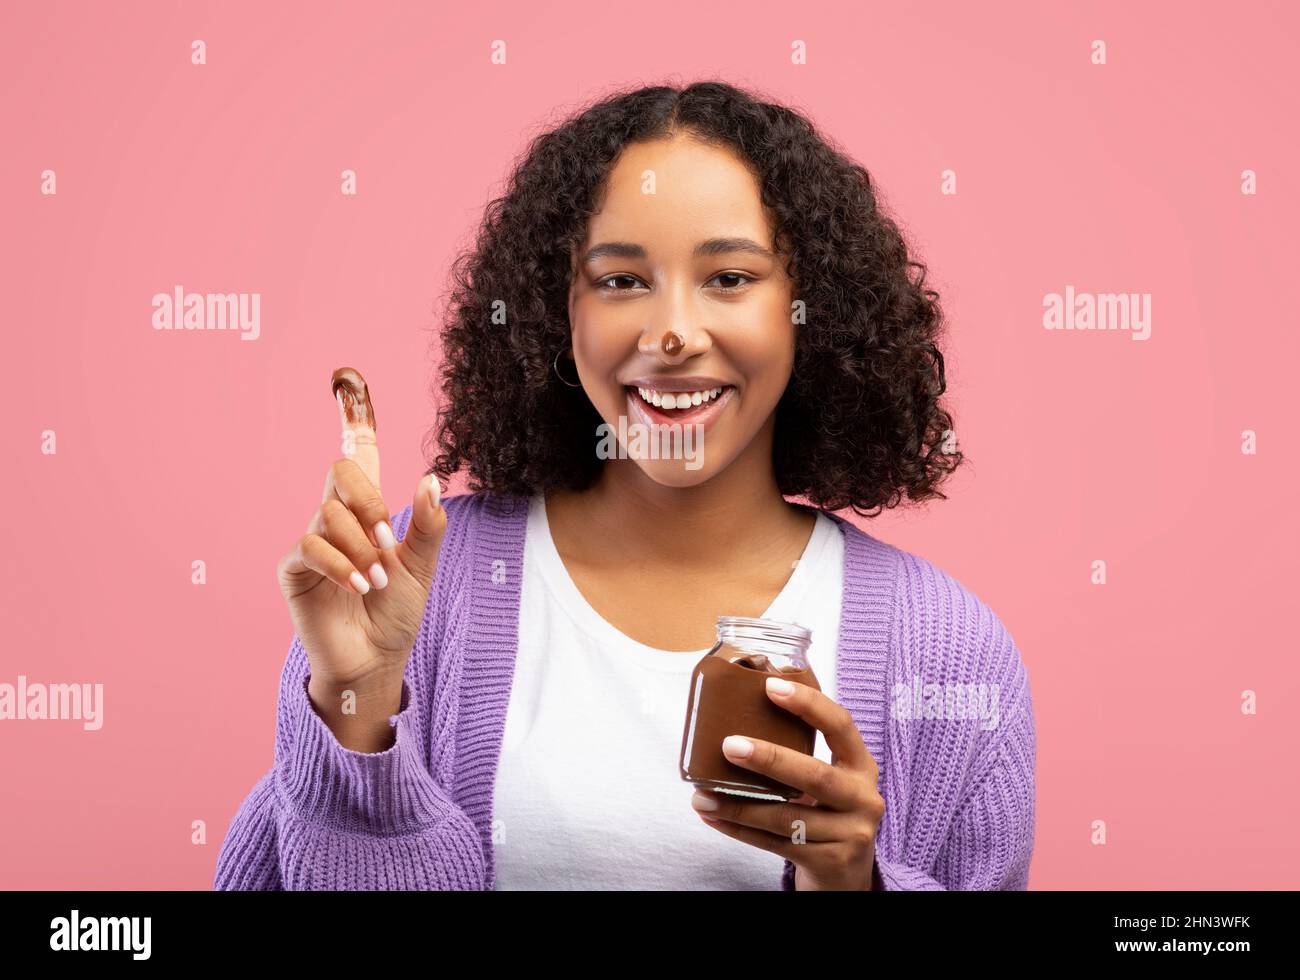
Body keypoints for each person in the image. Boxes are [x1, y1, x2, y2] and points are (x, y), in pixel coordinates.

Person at [214, 80, 1035, 891]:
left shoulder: (950, 652)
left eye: (730, 278)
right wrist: (357, 711)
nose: (671, 330)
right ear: (554, 313)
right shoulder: (410, 588)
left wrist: (852, 885)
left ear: (808, 310)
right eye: (620, 281)